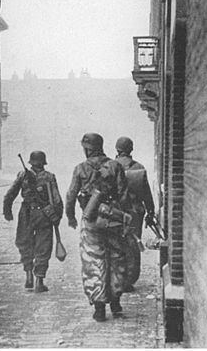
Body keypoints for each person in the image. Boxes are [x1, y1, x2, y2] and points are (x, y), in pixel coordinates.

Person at [65, 133, 132, 322]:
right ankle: (116, 301)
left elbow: (70, 196)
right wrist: (123, 216)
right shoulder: (115, 166)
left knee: (93, 261)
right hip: (113, 220)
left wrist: (71, 217)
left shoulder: (80, 168)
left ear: (87, 148)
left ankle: (99, 307)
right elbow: (124, 196)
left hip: (91, 220)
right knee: (117, 258)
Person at [3, 151, 63, 293]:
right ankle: (39, 281)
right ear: (43, 163)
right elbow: (57, 200)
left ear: (31, 162)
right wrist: (56, 217)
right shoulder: (49, 177)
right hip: (43, 215)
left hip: (26, 213)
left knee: (25, 243)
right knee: (43, 245)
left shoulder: (22, 175)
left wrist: (7, 211)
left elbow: (10, 194)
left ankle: (28, 276)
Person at [115, 136, 155, 291]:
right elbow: (146, 194)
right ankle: (129, 280)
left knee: (116, 244)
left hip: (116, 213)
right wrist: (150, 212)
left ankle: (117, 277)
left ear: (117, 150)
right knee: (133, 245)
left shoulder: (110, 166)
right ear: (131, 149)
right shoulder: (139, 167)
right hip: (135, 213)